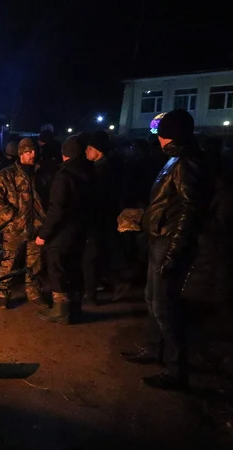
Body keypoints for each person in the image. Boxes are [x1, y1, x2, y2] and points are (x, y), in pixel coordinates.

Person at [121, 109, 206, 391]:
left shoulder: (186, 162)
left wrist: (175, 252)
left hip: (168, 243)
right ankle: (152, 350)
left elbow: (189, 211)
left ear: (171, 135)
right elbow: (168, 203)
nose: (157, 138)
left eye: (162, 133)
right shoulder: (174, 159)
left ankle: (175, 370)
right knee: (152, 299)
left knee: (165, 307)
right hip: (159, 239)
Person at [36, 135, 96, 324]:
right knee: (74, 270)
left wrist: (43, 234)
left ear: (65, 155)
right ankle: (75, 309)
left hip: (62, 233)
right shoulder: (90, 173)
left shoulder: (63, 176)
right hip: (81, 231)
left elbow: (57, 209)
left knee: (58, 270)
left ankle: (61, 311)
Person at [0, 138, 47, 308]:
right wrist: (14, 217)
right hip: (13, 229)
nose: (33, 154)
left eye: (35, 151)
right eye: (29, 151)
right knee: (9, 262)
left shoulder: (41, 174)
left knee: (35, 263)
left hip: (36, 227)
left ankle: (34, 292)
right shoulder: (6, 175)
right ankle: (3, 292)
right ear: (21, 153)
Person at [82, 130, 123, 304]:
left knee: (92, 255)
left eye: (89, 148)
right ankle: (114, 282)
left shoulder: (103, 170)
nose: (86, 151)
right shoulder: (103, 167)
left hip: (101, 218)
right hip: (103, 218)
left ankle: (115, 283)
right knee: (101, 253)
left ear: (98, 150)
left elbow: (99, 197)